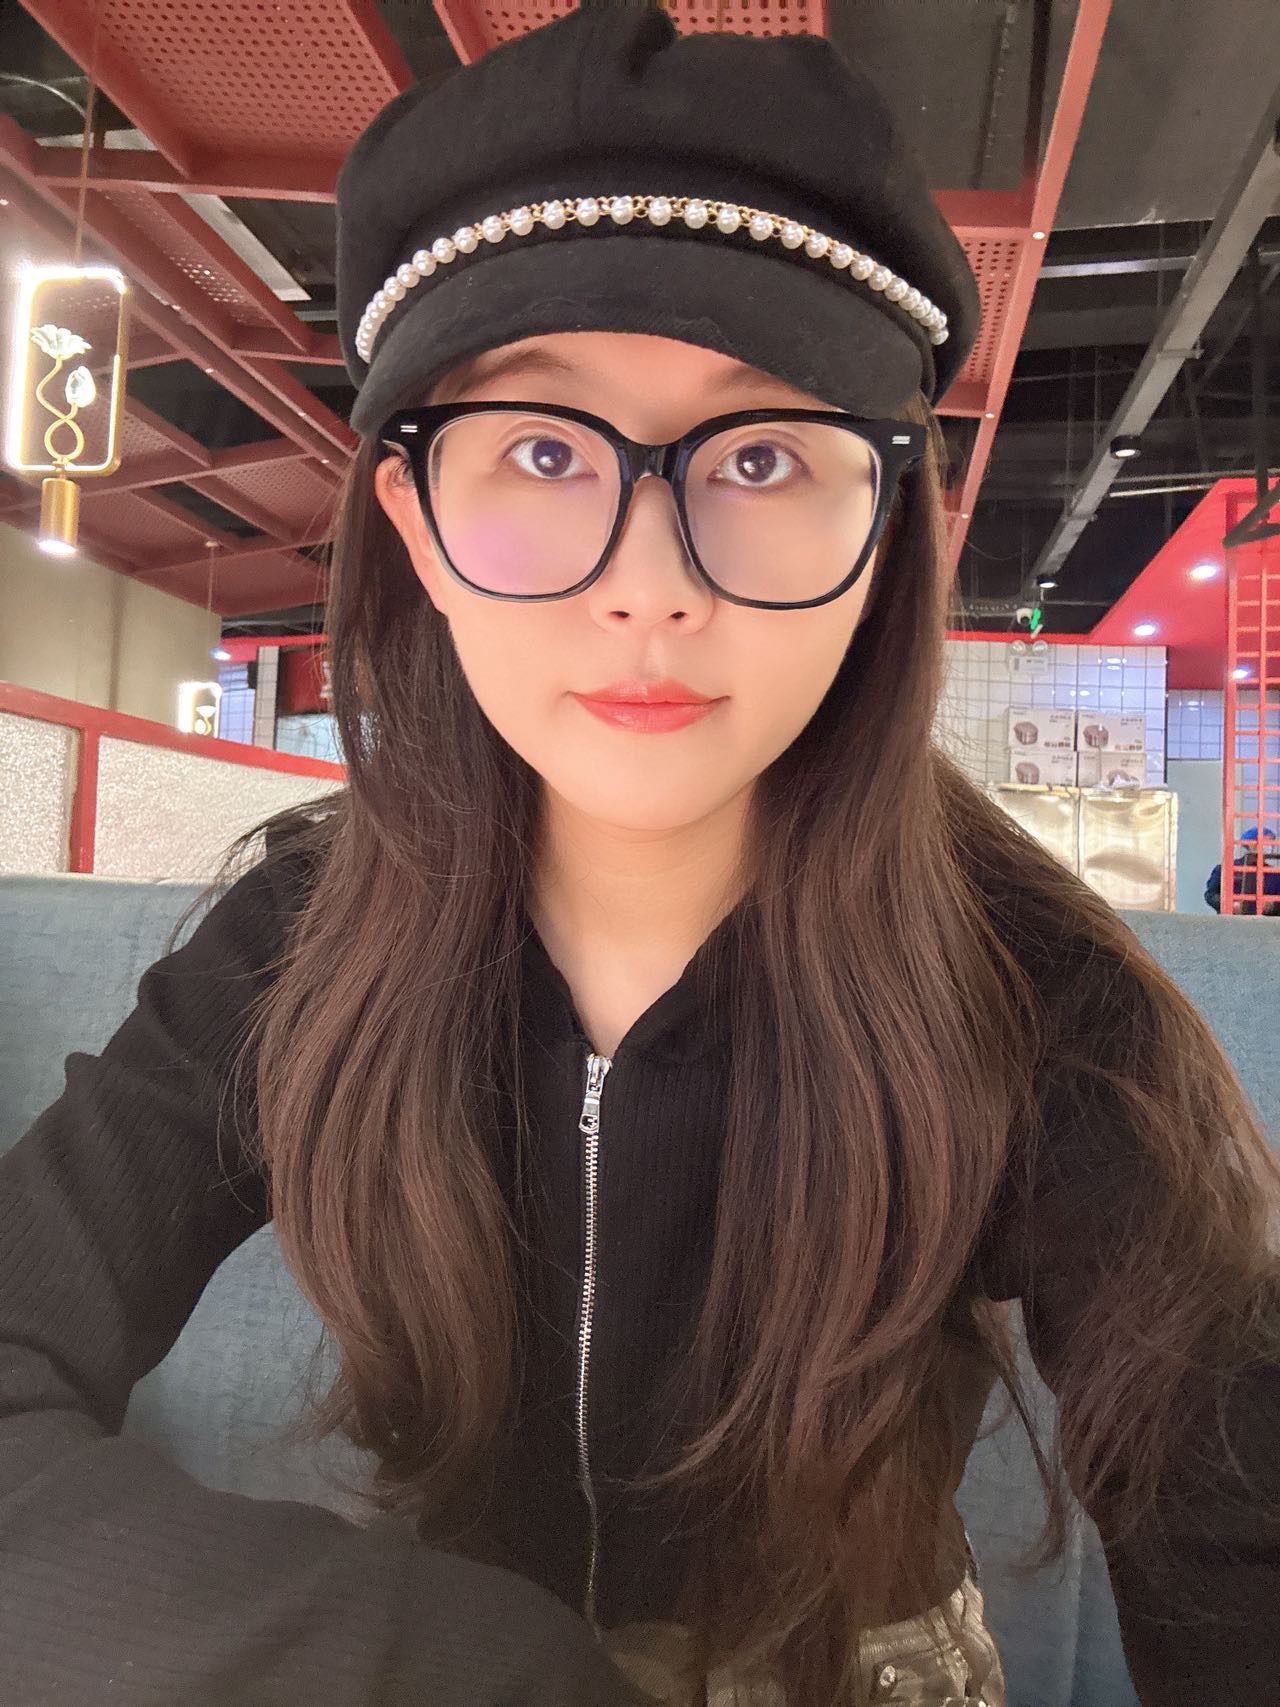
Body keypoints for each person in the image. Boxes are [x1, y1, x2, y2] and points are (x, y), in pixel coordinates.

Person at [1, 7, 1277, 1705]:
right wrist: (463, 1659)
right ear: (416, 524)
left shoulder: (1032, 997)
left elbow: (1231, 1530)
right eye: (543, 449)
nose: (650, 585)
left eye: (761, 455)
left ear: (883, 523)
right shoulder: (300, 941)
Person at [1205, 824, 1280, 915]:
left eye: (1272, 843)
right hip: (1232, 920)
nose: (1270, 846)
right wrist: (1230, 905)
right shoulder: (1225, 869)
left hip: (1263, 921)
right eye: (1267, 842)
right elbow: (1210, 895)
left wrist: (1273, 905)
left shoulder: (1275, 873)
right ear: (1251, 843)